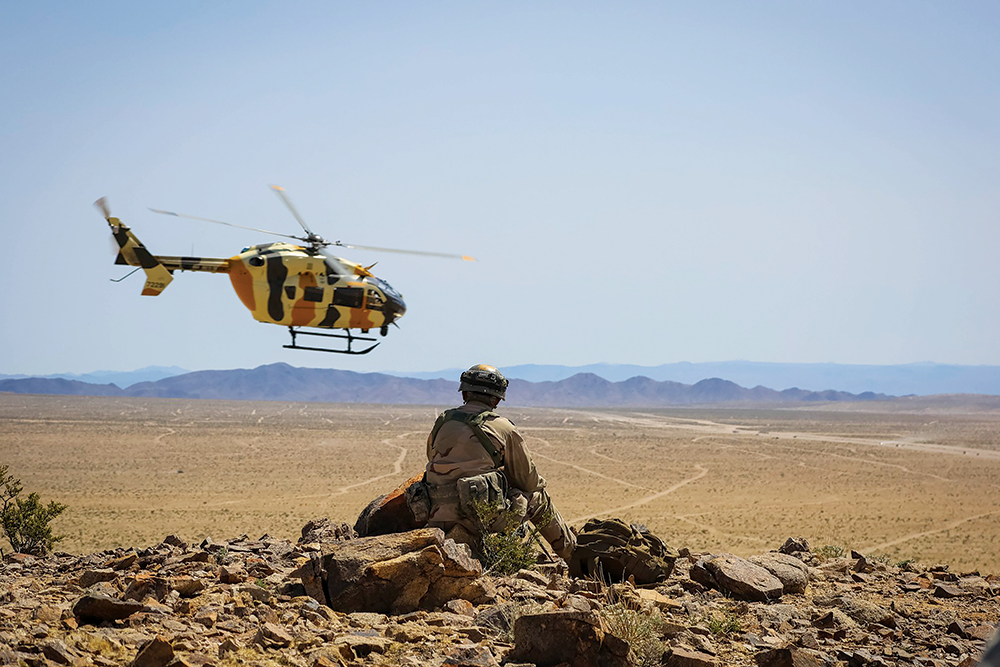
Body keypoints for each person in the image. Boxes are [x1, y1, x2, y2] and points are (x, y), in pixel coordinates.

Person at [424, 364, 576, 561]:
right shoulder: (503, 427)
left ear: (464, 394)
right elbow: (528, 482)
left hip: (435, 515)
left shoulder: (442, 422)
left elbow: (431, 456)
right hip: (477, 518)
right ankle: (574, 558)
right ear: (496, 400)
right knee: (538, 498)